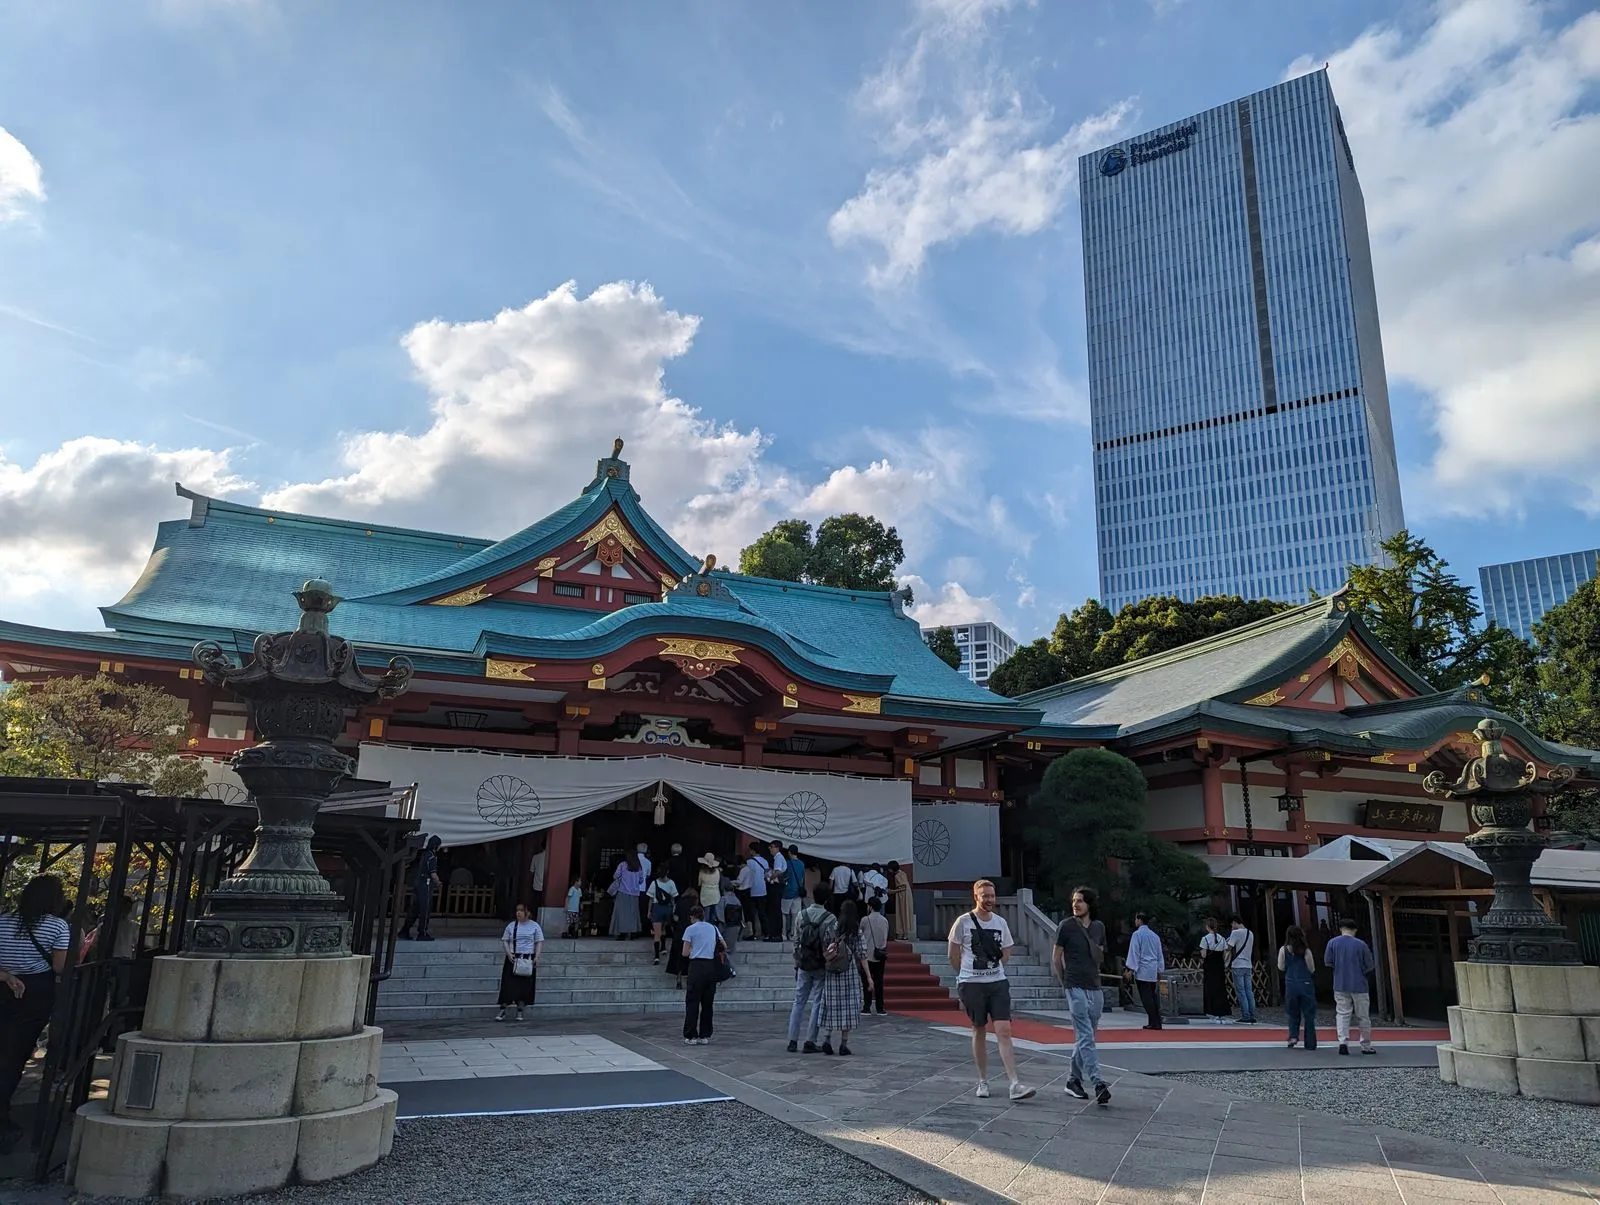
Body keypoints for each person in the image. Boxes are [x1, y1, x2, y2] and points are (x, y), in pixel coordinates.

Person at [0, 875, 70, 1152]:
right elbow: (60, 968)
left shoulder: (4, 921)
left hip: (4, 984)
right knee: (13, 1056)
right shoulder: (57, 926)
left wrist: (6, 976)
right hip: (35, 992)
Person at [948, 879, 1035, 1101]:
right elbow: (953, 954)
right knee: (979, 1029)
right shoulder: (963, 922)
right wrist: (964, 976)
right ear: (976, 897)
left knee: (1004, 1030)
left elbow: (1007, 950)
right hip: (972, 983)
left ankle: (1014, 1083)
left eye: (992, 896)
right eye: (985, 895)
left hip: (997, 982)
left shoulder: (1000, 922)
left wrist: (995, 970)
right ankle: (982, 1080)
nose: (989, 900)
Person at [1053, 885, 1111, 1107]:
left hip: (1094, 986)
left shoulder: (1098, 927)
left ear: (1089, 904)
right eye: (1074, 901)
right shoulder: (1066, 926)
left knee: (1087, 1036)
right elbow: (1056, 957)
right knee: (1086, 1034)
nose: (1075, 904)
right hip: (1074, 984)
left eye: (1080, 901)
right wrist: (1064, 983)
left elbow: (1100, 954)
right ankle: (1098, 1082)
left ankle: (1073, 1080)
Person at [786, 885, 835, 1053]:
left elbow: (796, 940)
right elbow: (831, 944)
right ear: (827, 899)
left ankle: (792, 1040)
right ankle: (810, 1040)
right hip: (820, 963)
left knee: (798, 1001)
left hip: (804, 962)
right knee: (817, 1002)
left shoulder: (802, 914)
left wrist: (796, 961)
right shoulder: (830, 918)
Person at [818, 900, 870, 1055]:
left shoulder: (833, 928)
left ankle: (826, 1038)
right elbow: (862, 955)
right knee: (848, 1007)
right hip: (849, 971)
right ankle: (843, 1043)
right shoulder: (856, 931)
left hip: (832, 971)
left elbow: (825, 947)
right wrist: (869, 977)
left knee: (831, 1005)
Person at [1324, 917, 1377, 1055]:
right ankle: (1365, 1045)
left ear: (1341, 928)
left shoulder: (1332, 943)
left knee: (1342, 1014)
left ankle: (1343, 1042)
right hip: (1359, 985)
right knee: (1363, 1016)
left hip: (1340, 983)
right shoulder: (1361, 944)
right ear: (1355, 930)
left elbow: (1328, 962)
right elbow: (1370, 965)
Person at [680, 905, 725, 1045]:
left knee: (693, 1001)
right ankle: (705, 1035)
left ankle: (691, 1035)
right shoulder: (713, 928)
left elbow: (685, 953)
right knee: (707, 1003)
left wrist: (695, 948)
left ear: (692, 917)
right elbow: (724, 945)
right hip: (710, 966)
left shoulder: (690, 929)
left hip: (697, 966)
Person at [496, 903, 543, 1022]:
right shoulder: (512, 926)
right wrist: (508, 953)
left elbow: (538, 942)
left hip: (528, 958)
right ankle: (503, 1009)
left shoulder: (535, 926)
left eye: (521, 911)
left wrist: (536, 957)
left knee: (524, 986)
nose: (519, 913)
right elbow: (505, 940)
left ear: (527, 912)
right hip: (513, 958)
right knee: (508, 985)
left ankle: (520, 1009)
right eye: (517, 910)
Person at [1279, 924, 1318, 1050]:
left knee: (1292, 1012)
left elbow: (1281, 967)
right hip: (1305, 984)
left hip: (1291, 983)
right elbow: (1311, 968)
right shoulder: (1306, 950)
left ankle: (1293, 1037)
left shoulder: (1283, 950)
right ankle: (1310, 1042)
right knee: (1309, 1014)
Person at [399, 835, 443, 941]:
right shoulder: (432, 856)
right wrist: (439, 883)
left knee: (415, 909)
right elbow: (433, 874)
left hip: (418, 883)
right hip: (426, 884)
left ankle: (404, 930)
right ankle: (422, 932)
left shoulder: (424, 854)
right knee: (425, 909)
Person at [1126, 912, 1165, 1029]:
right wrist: (1159, 969)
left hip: (1142, 968)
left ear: (1139, 920)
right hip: (1152, 969)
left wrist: (1131, 968)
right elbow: (1159, 954)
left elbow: (1134, 952)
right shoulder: (1155, 936)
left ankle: (1154, 1021)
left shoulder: (1137, 935)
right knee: (1152, 995)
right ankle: (1155, 1020)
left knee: (1146, 996)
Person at [1225, 915, 1258, 1024]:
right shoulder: (1250, 933)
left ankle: (1245, 1015)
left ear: (1235, 923)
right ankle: (1252, 1014)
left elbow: (1228, 947)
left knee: (1241, 991)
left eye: (1232, 924)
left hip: (1238, 964)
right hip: (1248, 964)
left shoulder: (1236, 933)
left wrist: (1230, 935)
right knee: (1249, 991)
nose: (1232, 927)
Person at [665, 888, 699, 990]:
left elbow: (675, 918)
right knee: (691, 957)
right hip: (692, 932)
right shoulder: (695, 905)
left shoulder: (679, 903)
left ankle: (678, 979)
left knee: (679, 956)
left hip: (680, 932)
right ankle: (690, 980)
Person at [861, 897, 889, 1017]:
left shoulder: (865, 920)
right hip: (880, 953)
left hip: (867, 954)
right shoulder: (885, 920)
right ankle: (880, 1007)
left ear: (870, 906)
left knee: (866, 981)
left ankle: (867, 1007)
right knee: (879, 981)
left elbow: (860, 933)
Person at [608, 852, 645, 940]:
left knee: (621, 914)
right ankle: (632, 932)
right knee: (633, 914)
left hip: (623, 892)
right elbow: (641, 880)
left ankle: (621, 933)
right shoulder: (638, 867)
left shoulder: (622, 865)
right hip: (634, 893)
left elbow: (615, 876)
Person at [1199, 917, 1230, 1020]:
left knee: (1210, 987)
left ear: (1207, 927)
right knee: (1220, 987)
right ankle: (1222, 1011)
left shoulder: (1205, 939)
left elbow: (1203, 954)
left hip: (1210, 964)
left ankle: (1211, 1010)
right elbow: (1225, 953)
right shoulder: (1222, 938)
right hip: (1219, 964)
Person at [648, 864, 679, 964]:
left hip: (657, 908)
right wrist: (674, 909)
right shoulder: (671, 883)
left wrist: (649, 911)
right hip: (668, 908)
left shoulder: (654, 883)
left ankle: (656, 957)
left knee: (657, 932)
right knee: (664, 928)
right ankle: (664, 947)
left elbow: (651, 898)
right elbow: (673, 897)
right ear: (668, 872)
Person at [763, 840, 788, 943]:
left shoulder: (778, 857)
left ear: (777, 848)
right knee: (775, 909)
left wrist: (769, 877)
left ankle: (775, 934)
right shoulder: (778, 857)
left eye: (772, 847)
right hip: (777, 886)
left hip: (776, 886)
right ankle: (775, 933)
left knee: (774, 910)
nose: (770, 848)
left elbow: (777, 872)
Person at [780, 845, 806, 942]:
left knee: (784, 913)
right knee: (795, 914)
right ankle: (793, 934)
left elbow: (783, 876)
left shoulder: (787, 863)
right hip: (798, 892)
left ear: (789, 852)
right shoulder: (802, 864)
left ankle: (783, 934)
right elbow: (803, 879)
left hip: (787, 891)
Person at [887, 861, 914, 941]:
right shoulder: (903, 873)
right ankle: (903, 933)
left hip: (902, 896)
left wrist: (892, 891)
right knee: (905, 913)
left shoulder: (897, 876)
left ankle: (903, 933)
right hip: (905, 895)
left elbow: (903, 887)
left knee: (902, 913)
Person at [695, 854, 722, 923]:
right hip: (716, 895)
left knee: (706, 914)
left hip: (705, 895)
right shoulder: (717, 871)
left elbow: (699, 884)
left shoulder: (701, 872)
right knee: (714, 914)